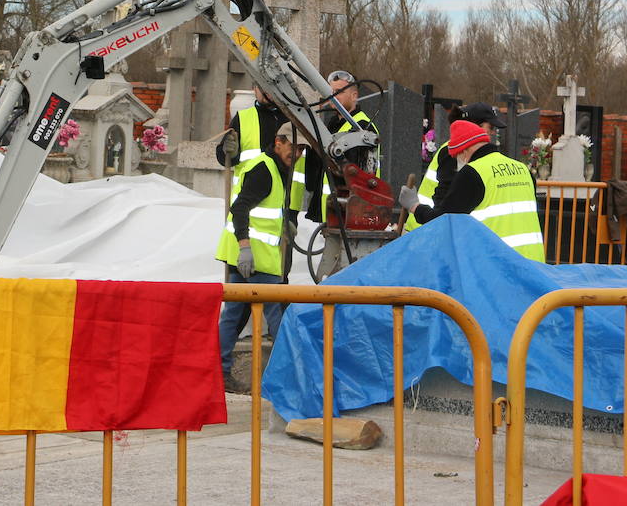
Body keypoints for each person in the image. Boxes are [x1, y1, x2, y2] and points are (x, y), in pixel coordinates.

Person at [216, 132, 297, 392]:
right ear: (279, 142)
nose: (296, 154)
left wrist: (286, 223)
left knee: (232, 315)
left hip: (248, 255)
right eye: (292, 148)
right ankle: (287, 377)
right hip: (254, 256)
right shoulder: (265, 169)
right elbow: (239, 208)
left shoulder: (273, 166)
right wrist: (245, 247)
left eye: (300, 151)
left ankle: (220, 371)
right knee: (276, 315)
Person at [399, 119, 545, 261]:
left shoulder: (473, 172)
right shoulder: (522, 168)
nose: (459, 161)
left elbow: (445, 219)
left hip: (498, 265)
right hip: (533, 262)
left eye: (457, 155)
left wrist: (414, 206)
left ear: (465, 150)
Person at [297, 71, 380, 278]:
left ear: (354, 96)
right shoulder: (333, 124)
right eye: (330, 92)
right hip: (334, 213)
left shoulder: (362, 129)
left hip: (348, 216)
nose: (332, 96)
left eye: (338, 92)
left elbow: (358, 176)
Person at [404, 101, 506, 231]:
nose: (492, 132)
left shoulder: (465, 150)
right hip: (426, 226)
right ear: (474, 125)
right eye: (490, 127)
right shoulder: (455, 152)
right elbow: (444, 201)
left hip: (431, 221)